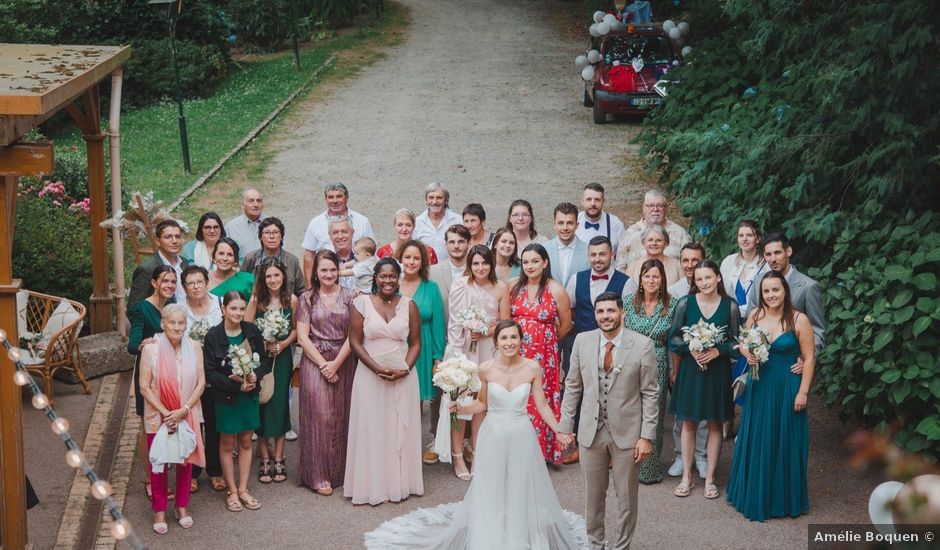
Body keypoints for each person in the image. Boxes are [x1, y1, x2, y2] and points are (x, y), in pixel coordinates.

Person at [363, 321, 588, 549]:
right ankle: (490, 536)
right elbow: (481, 403)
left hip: (521, 433)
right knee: (492, 485)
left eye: (513, 337)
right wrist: (460, 409)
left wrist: (559, 430)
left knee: (519, 485)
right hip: (494, 433)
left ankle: (518, 537)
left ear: (521, 340)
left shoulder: (532, 368)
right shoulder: (486, 369)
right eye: (504, 338)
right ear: (496, 342)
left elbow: (542, 406)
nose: (509, 343)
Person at [558, 292, 659, 550]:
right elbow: (572, 386)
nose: (606, 316)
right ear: (595, 314)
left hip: (627, 432)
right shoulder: (582, 341)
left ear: (622, 313)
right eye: (600, 311)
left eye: (611, 311)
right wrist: (565, 427)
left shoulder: (642, 345)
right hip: (591, 432)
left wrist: (646, 436)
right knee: (593, 497)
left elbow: (650, 393)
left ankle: (621, 546)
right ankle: (595, 544)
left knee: (626, 498)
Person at [727, 271, 814, 521]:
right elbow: (743, 342)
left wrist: (803, 392)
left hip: (788, 386)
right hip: (760, 383)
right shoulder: (755, 315)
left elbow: (808, 359)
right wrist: (747, 354)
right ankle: (755, 494)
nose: (771, 295)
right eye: (766, 291)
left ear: (785, 291)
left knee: (785, 438)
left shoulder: (799, 320)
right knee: (758, 437)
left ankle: (782, 499)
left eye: (775, 290)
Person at [345, 259, 423, 505]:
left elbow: (416, 343)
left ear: (398, 278)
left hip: (402, 375)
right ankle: (372, 484)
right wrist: (376, 368)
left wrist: (405, 369)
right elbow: (355, 342)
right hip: (370, 374)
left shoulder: (410, 305)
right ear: (375, 278)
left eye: (392, 276)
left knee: (399, 425)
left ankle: (400, 483)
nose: (388, 281)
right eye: (383, 276)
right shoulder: (361, 304)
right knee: (372, 426)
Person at [433, 245, 510, 478]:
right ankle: (458, 458)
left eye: (485, 263)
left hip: (489, 350)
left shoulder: (500, 287)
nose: (480, 268)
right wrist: (457, 358)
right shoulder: (461, 285)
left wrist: (486, 330)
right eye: (475, 263)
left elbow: (505, 323)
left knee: (482, 405)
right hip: (464, 351)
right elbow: (454, 322)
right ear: (470, 265)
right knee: (461, 405)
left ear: (491, 264)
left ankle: (478, 454)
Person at [669, 260, 740, 499]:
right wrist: (692, 347)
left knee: (714, 423)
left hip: (717, 371)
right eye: (699, 279)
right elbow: (673, 339)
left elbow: (737, 342)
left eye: (708, 278)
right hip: (691, 369)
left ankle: (710, 478)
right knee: (688, 422)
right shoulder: (684, 304)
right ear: (694, 282)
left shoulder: (730, 306)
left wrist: (719, 350)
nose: (704, 283)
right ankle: (686, 476)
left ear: (718, 277)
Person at [563, 235, 636, 465]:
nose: (597, 259)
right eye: (593, 255)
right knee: (579, 390)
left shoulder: (627, 282)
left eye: (602, 254)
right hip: (584, 344)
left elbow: (628, 318)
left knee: (614, 393)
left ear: (612, 255)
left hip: (615, 346)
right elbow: (571, 310)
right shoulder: (577, 279)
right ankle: (576, 444)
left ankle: (613, 447)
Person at [138, 304, 205, 534]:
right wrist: (167, 413)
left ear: (186, 325)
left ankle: (182, 506)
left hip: (186, 412)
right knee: (159, 463)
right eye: (172, 322)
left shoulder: (194, 346)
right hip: (159, 415)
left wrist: (183, 410)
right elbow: (144, 387)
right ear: (163, 323)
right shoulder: (151, 349)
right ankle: (159, 510)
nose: (177, 327)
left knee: (184, 461)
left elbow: (201, 383)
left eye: (181, 323)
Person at [296, 250, 357, 496]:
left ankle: (340, 472)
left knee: (342, 415)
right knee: (319, 417)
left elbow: (355, 335)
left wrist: (336, 364)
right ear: (316, 272)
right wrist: (324, 365)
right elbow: (302, 337)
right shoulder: (306, 298)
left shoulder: (351, 297)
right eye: (324, 270)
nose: (329, 274)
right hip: (314, 360)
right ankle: (317, 474)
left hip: (344, 358)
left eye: (333, 269)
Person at [202, 291, 269, 512]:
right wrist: (235, 385)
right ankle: (231, 490)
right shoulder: (213, 336)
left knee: (247, 442)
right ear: (223, 309)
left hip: (249, 396)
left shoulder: (251, 331)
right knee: (227, 443)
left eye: (241, 308)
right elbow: (210, 373)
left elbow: (264, 360)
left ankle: (243, 488)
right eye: (233, 308)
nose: (238, 312)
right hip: (226, 398)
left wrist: (254, 376)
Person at [510, 243, 572, 464]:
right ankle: (516, 450)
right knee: (519, 397)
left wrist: (545, 341)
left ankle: (541, 452)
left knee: (540, 399)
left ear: (545, 262)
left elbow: (565, 325)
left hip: (545, 355)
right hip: (515, 354)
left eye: (535, 261)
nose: (530, 266)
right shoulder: (513, 287)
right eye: (525, 262)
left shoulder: (555, 289)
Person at [624, 260, 677, 484]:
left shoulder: (672, 305)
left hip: (658, 361)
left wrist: (675, 370)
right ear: (641, 279)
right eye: (647, 276)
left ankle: (649, 469)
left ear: (662, 280)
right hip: (630, 362)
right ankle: (626, 465)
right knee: (629, 412)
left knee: (653, 412)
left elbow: (675, 341)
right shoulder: (627, 303)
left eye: (656, 276)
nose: (651, 281)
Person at [246, 261, 298, 485]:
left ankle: (279, 456)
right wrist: (263, 343)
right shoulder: (257, 301)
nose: (273, 280)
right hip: (261, 358)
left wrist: (283, 344)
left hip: (282, 358)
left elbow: (297, 330)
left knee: (279, 405)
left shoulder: (291, 300)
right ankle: (264, 456)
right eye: (269, 276)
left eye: (277, 275)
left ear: (283, 277)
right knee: (263, 404)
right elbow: (246, 329)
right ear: (263, 279)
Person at [128, 265, 176, 497]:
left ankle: (165, 471)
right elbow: (131, 344)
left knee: (168, 422)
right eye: (165, 281)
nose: (169, 286)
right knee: (149, 426)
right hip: (150, 375)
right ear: (154, 283)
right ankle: (150, 478)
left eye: (173, 282)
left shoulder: (173, 305)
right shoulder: (141, 308)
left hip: (171, 374)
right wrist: (144, 343)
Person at [424, 225, 471, 464]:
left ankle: (465, 440)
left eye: (461, 241)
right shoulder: (433, 272)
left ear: (467, 243)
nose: (456, 246)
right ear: (446, 243)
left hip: (470, 341)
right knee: (438, 392)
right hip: (441, 338)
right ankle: (436, 438)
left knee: (468, 390)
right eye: (451, 242)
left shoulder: (477, 269)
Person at [663, 242, 708, 479]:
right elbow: (673, 334)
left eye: (695, 260)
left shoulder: (714, 285)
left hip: (708, 359)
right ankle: (681, 455)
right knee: (682, 410)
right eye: (686, 261)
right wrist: (674, 368)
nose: (690, 265)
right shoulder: (674, 291)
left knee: (704, 411)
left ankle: (701, 455)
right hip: (681, 358)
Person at [179, 265, 223, 492]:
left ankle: (215, 471)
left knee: (215, 423)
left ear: (207, 282)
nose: (196, 287)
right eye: (190, 283)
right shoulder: (179, 308)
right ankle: (193, 471)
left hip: (215, 372)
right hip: (189, 374)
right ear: (184, 287)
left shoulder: (220, 303)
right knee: (194, 423)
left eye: (200, 282)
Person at [746, 232, 825, 352]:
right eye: (768, 254)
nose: (773, 259)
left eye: (777, 253)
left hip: (792, 361)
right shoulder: (758, 281)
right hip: (762, 362)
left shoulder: (808, 287)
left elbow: (817, 331)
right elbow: (750, 320)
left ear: (788, 251)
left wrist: (805, 358)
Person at [397, 241, 446, 404]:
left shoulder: (431, 287)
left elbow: (438, 325)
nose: (411, 262)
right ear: (400, 259)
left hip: (421, 349)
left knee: (414, 401)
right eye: (407, 257)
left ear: (423, 262)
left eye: (416, 258)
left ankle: (414, 431)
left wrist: (437, 357)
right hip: (394, 347)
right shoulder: (390, 284)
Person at [617, 189, 691, 269]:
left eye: (660, 205)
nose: (655, 209)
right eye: (650, 205)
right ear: (643, 208)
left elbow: (689, 267)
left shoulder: (680, 234)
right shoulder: (629, 235)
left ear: (666, 208)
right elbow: (620, 268)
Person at [301, 182, 376, 258]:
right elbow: (309, 254)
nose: (335, 201)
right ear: (326, 200)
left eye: (339, 196)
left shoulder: (362, 221)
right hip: (327, 269)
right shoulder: (315, 223)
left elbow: (371, 251)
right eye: (330, 197)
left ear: (347, 198)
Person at [128, 219, 187, 308]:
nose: (174, 241)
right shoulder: (147, 269)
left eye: (178, 236)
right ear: (158, 241)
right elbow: (134, 309)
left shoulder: (184, 263)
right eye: (168, 237)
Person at [241, 217, 306, 296]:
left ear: (281, 236)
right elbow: (241, 288)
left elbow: (301, 292)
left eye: (275, 232)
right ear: (260, 237)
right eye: (267, 233)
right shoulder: (250, 259)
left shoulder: (292, 260)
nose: (271, 236)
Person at [720, 220, 763, 317]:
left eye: (749, 235)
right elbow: (720, 290)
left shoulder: (765, 265)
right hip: (730, 315)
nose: (744, 239)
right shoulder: (728, 261)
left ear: (758, 239)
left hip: (757, 317)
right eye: (741, 235)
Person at [546, 202, 590, 291]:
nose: (565, 228)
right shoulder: (544, 250)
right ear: (554, 225)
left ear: (577, 225)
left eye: (570, 223)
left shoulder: (589, 250)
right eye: (561, 223)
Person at [413, 182, 463, 260]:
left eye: (439, 198)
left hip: (450, 270)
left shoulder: (458, 221)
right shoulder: (417, 223)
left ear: (446, 201)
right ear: (426, 200)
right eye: (431, 197)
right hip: (425, 271)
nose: (435, 201)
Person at [576, 183, 625, 254]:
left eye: (597, 200)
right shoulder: (573, 222)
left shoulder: (615, 225)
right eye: (589, 199)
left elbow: (622, 255)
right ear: (582, 201)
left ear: (603, 201)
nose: (593, 204)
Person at [224, 189, 267, 262]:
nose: (256, 205)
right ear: (243, 205)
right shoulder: (231, 227)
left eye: (259, 201)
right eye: (251, 201)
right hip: (242, 270)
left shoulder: (272, 225)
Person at [325, 216, 358, 290]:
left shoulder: (366, 257)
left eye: (344, 231)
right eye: (335, 232)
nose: (340, 236)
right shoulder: (324, 261)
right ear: (329, 235)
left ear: (352, 233)